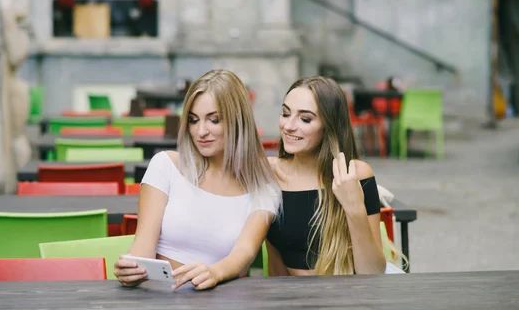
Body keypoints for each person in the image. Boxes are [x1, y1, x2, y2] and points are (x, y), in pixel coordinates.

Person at [114, 69, 280, 290]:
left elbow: (244, 254)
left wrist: (214, 272)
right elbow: (142, 248)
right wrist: (130, 270)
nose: (201, 131)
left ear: (238, 121)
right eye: (193, 120)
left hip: (219, 308)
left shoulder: (263, 190)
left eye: (214, 120)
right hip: (157, 299)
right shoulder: (165, 166)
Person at [266, 76, 386, 276]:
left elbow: (373, 271)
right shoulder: (269, 174)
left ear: (329, 126)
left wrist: (354, 207)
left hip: (346, 300)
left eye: (305, 119)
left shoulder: (355, 174)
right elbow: (275, 262)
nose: (288, 126)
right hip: (291, 301)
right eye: (286, 114)